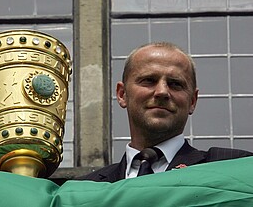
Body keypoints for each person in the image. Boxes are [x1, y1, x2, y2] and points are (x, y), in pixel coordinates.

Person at [77, 42, 253, 182]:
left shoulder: (235, 168)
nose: (162, 92)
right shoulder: (86, 190)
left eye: (175, 83)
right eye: (149, 80)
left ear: (192, 101)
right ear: (122, 94)